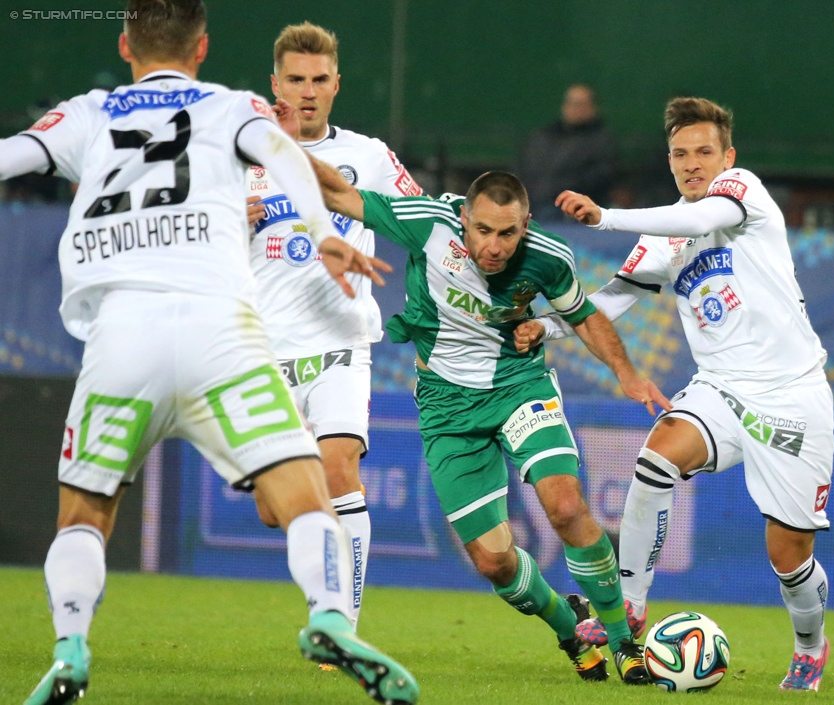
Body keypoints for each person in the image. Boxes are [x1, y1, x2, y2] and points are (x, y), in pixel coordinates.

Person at [0, 2, 418, 704]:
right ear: (202, 49)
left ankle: (70, 643)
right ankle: (327, 614)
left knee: (84, 512)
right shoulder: (234, 108)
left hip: (122, 332)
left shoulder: (86, 114)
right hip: (222, 329)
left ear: (125, 42)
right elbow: (287, 155)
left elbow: (12, 156)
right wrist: (322, 230)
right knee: (304, 490)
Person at [288, 146, 672, 684]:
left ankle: (624, 641)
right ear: (464, 218)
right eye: (484, 230)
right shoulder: (426, 223)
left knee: (563, 504)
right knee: (494, 563)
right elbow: (338, 193)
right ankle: (569, 624)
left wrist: (626, 373)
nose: (494, 247)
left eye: (507, 234)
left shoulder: (548, 257)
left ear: (526, 226)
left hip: (519, 385)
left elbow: (583, 317)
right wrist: (271, 144)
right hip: (446, 406)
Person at [517, 97, 834, 692]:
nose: (692, 164)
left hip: (791, 394)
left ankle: (810, 645)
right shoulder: (665, 238)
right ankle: (631, 607)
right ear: (669, 160)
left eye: (704, 152)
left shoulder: (743, 192)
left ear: (727, 156)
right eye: (680, 154)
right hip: (719, 387)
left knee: (789, 557)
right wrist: (551, 326)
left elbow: (693, 220)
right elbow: (611, 298)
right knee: (654, 459)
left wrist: (605, 217)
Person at [243, 21, 423, 633]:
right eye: (296, 79)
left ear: (337, 84)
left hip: (342, 342)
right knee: (275, 508)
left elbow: (422, 222)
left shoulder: (368, 157)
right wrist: (225, 219)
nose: (308, 91)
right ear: (276, 84)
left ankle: (339, 625)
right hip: (263, 355)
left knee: (341, 468)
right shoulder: (238, 159)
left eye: (320, 80)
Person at [517, 84, 617, 220]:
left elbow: (599, 177)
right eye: (571, 103)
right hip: (532, 203)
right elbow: (524, 168)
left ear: (593, 107)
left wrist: (558, 194)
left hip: (569, 212)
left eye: (580, 104)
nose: (575, 109)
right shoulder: (543, 137)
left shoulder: (601, 141)